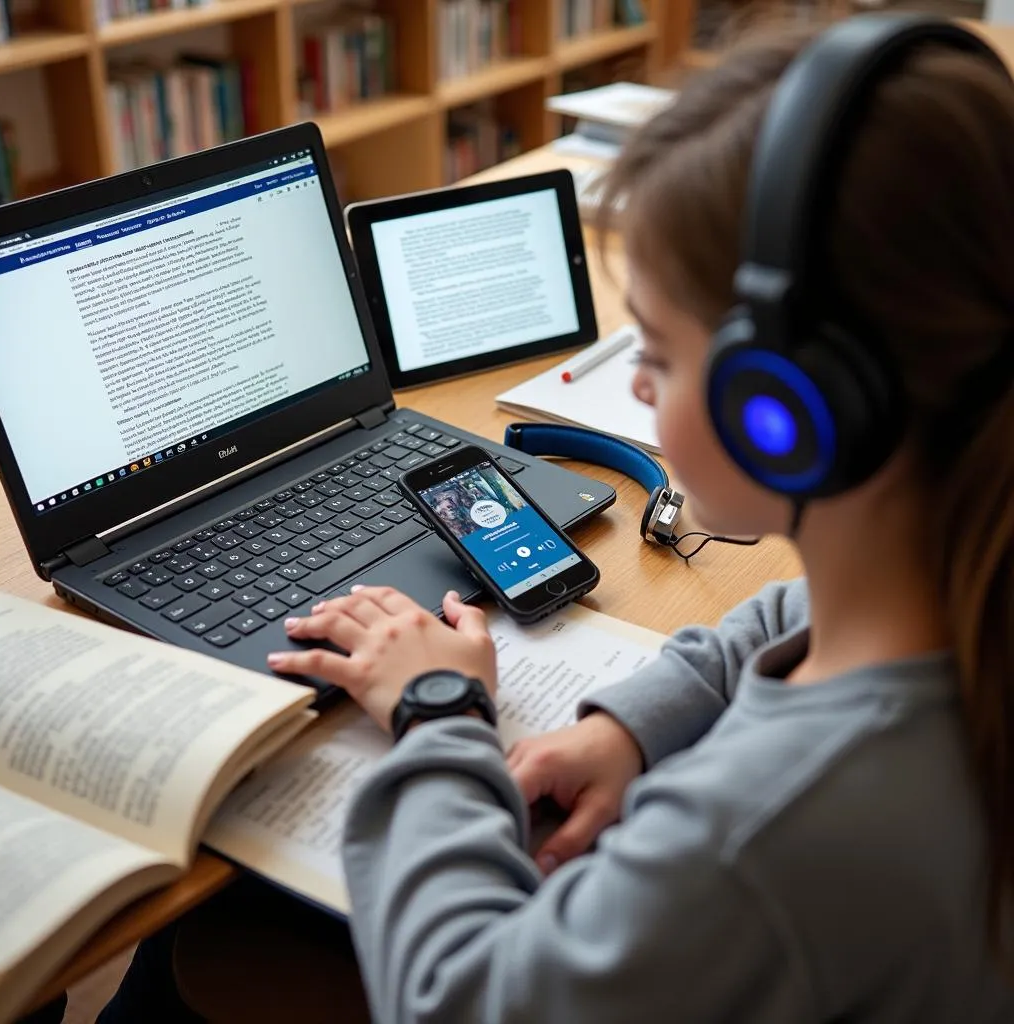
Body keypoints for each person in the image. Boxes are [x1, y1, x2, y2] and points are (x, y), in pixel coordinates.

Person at [99, 16, 1014, 1023]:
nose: (640, 388)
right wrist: (634, 724)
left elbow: (462, 998)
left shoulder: (757, 835)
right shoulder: (959, 573)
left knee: (185, 950)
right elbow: (783, 615)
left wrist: (439, 712)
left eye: (656, 355)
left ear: (789, 406)